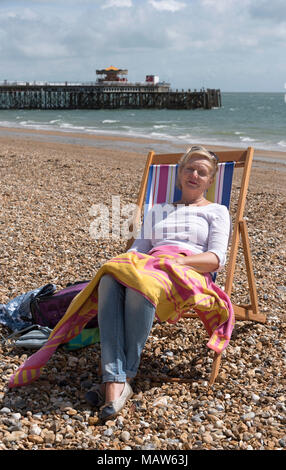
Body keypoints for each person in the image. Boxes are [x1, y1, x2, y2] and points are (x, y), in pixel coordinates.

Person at [85, 145, 231, 421]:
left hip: (189, 270)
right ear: (180, 173)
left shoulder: (217, 211)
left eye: (202, 172)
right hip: (152, 265)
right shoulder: (158, 210)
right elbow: (138, 248)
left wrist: (179, 263)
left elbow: (215, 258)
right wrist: (121, 267)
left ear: (210, 182)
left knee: (142, 285)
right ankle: (117, 378)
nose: (195, 175)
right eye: (190, 169)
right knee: (109, 279)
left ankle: (116, 378)